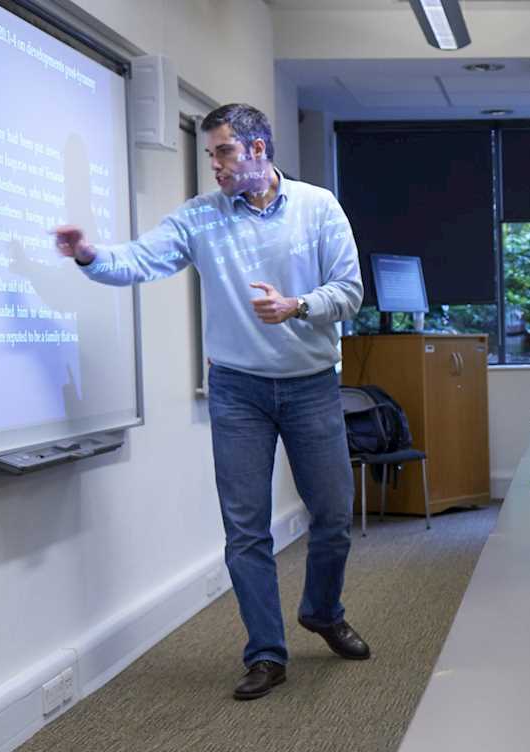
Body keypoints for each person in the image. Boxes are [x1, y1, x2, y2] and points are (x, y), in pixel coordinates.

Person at [52, 104, 369, 701]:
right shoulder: (201, 216)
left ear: (258, 149)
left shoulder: (318, 207)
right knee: (245, 530)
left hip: (310, 384)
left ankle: (322, 611)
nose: (215, 166)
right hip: (237, 391)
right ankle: (266, 653)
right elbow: (141, 258)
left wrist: (297, 305)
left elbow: (350, 292)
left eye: (224, 151)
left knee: (332, 516)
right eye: (211, 155)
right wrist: (90, 255)